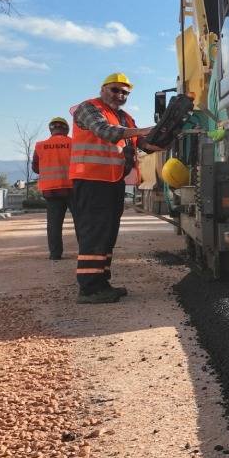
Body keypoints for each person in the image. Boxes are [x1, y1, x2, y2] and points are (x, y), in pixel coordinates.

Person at [69, 73, 161, 304]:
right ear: (103, 89)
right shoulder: (88, 108)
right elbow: (105, 131)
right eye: (115, 90)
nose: (120, 95)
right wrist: (143, 131)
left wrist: (166, 138)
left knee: (107, 234)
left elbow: (144, 144)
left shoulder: (125, 118)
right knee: (94, 233)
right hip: (91, 181)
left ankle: (101, 283)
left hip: (113, 181)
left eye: (125, 92)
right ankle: (89, 290)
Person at [32, 117, 73, 260]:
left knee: (54, 225)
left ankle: (55, 254)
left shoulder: (40, 146)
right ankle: (85, 252)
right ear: (66, 129)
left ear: (51, 130)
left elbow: (36, 168)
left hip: (51, 191)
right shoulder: (74, 143)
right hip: (73, 189)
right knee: (81, 222)